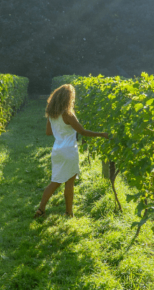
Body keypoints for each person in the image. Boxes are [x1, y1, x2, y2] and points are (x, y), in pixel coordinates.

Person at [34, 83, 109, 219]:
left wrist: (60, 131)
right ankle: (69, 212)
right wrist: (102, 134)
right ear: (68, 98)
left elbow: (48, 132)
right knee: (69, 182)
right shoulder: (68, 114)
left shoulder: (52, 114)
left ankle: (41, 208)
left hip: (57, 150)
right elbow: (82, 131)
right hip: (69, 151)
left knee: (55, 181)